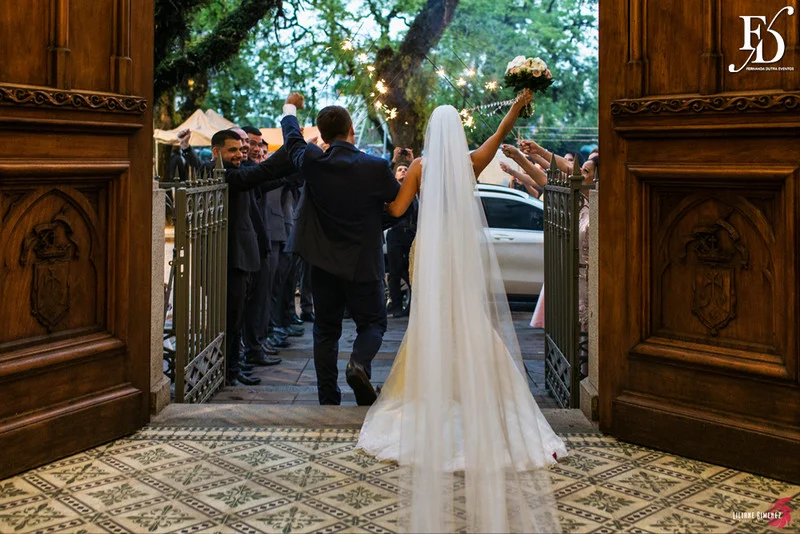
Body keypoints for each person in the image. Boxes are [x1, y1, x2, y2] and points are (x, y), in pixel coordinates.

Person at [356, 91, 566, 533]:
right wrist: (515, 107)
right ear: (458, 132)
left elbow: (396, 208)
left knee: (430, 321)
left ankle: (431, 389)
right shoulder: (470, 162)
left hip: (429, 254)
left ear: (432, 132)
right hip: (462, 254)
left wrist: (373, 198)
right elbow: (499, 134)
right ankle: (476, 389)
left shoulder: (420, 167)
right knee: (467, 318)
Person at [280, 94, 401, 406]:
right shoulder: (376, 167)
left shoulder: (313, 162)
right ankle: (358, 365)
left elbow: (292, 140)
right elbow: (398, 206)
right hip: (364, 263)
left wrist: (290, 108)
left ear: (322, 135)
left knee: (325, 331)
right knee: (373, 324)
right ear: (352, 130)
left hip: (322, 264)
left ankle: (327, 397)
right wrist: (377, 222)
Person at [210, 129, 296, 386]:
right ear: (216, 152)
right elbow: (261, 173)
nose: (240, 154)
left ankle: (234, 368)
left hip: (248, 256)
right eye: (233, 150)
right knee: (232, 320)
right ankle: (228, 371)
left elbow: (266, 177)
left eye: (241, 149)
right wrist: (291, 145)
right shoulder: (221, 173)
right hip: (230, 259)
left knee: (238, 318)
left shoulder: (240, 172)